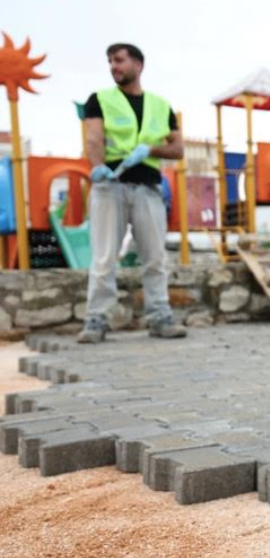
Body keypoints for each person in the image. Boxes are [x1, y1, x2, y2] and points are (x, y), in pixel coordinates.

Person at [77, 43, 187, 343]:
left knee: (155, 257)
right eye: (110, 61)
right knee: (104, 257)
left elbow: (178, 148)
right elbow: (94, 138)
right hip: (109, 185)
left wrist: (150, 149)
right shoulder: (100, 100)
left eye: (119, 60)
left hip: (148, 188)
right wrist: (97, 166)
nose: (114, 66)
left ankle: (160, 316)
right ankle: (96, 319)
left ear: (138, 65)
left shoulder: (161, 106)